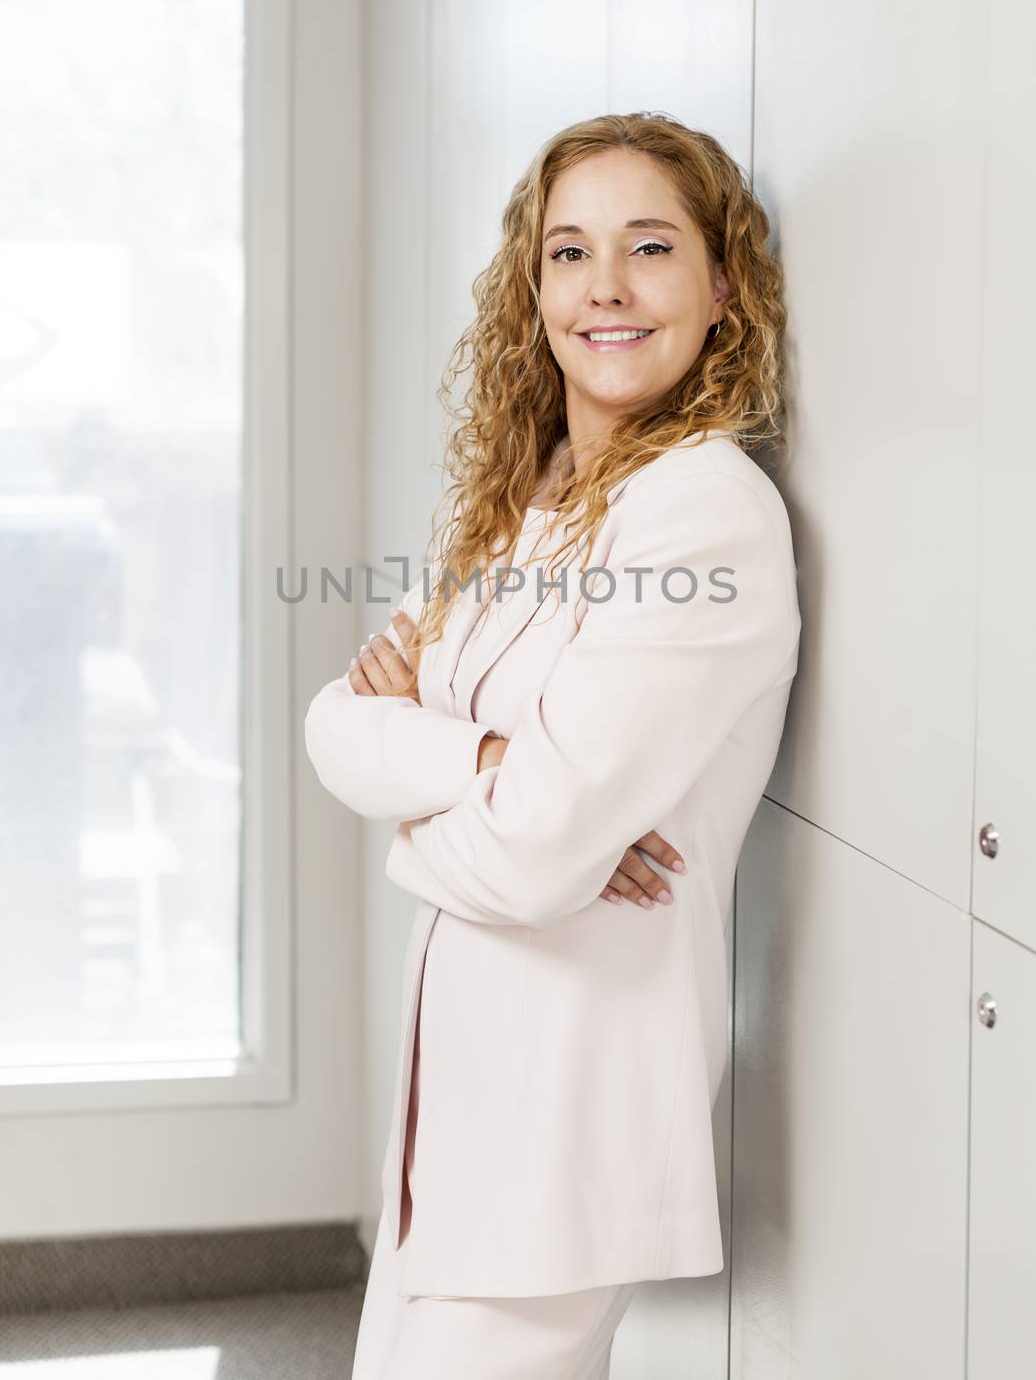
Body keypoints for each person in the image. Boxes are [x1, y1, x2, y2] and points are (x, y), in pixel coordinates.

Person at [304, 111, 801, 1378]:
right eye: (569, 253)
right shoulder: (527, 508)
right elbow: (335, 726)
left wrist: (435, 785)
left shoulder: (701, 514)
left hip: (563, 1127)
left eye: (649, 247)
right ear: (531, 290)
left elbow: (528, 857)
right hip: (455, 1130)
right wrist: (478, 769)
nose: (607, 290)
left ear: (720, 285)